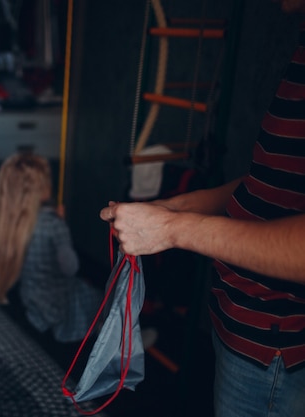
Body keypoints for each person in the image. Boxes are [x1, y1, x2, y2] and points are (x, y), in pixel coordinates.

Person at [100, 2, 305, 416]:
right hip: (240, 324)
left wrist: (171, 229)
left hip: (279, 350)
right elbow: (269, 186)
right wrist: (166, 208)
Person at [0, 152, 101, 343]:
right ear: (42, 188)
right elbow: (71, 268)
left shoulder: (7, 223)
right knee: (101, 299)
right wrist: (62, 225)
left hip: (30, 305)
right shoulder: (53, 224)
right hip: (58, 305)